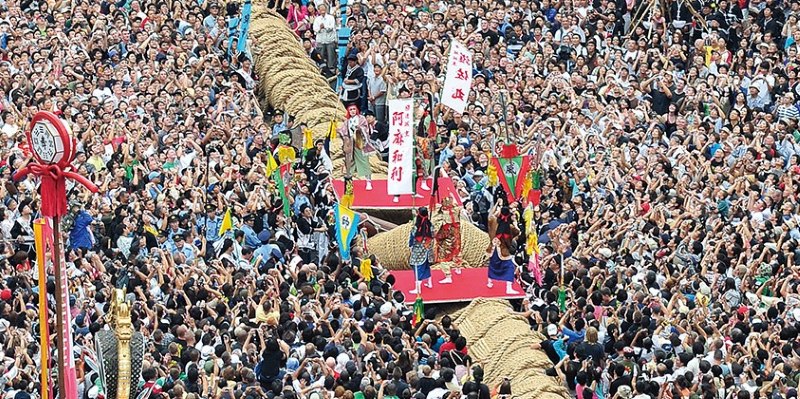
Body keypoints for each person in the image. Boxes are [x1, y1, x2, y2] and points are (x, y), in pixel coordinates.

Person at [339, 104, 374, 190]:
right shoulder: (347, 121)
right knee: (350, 161)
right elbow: (344, 132)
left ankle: (368, 181)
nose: (352, 111)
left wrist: (360, 128)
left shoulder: (361, 118)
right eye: (350, 110)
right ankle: (348, 179)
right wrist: (338, 130)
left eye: (354, 109)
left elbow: (366, 128)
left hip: (360, 141)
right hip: (351, 143)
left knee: (364, 161)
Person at [486, 205, 519, 295]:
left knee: (493, 264)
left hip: (492, 248)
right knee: (509, 267)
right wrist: (515, 222)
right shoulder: (510, 227)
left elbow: (490, 216)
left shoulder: (493, 221)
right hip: (503, 250)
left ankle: (489, 282)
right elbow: (517, 232)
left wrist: (496, 206)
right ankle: (508, 288)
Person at [409, 207, 434, 294]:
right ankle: (429, 283)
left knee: (417, 267)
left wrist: (410, 246)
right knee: (426, 265)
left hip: (418, 251)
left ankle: (418, 288)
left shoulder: (416, 228)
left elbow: (412, 239)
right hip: (428, 249)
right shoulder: (430, 226)